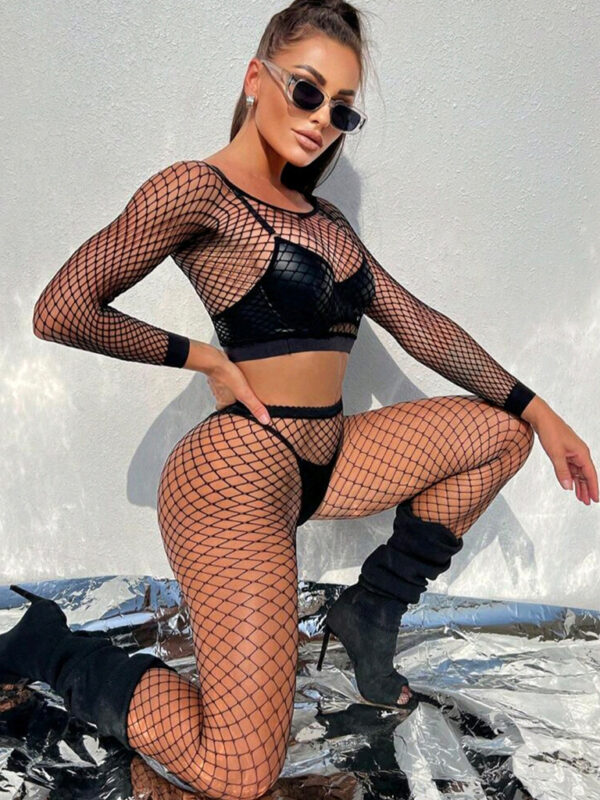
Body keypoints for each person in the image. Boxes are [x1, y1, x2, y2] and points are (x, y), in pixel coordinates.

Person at [1, 1, 597, 798]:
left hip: (329, 459)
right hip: (235, 475)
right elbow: (62, 309)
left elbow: (419, 323)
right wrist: (204, 358)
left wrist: (541, 410)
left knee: (499, 434)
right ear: (257, 78)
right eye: (308, 91)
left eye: (342, 109)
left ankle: (370, 611)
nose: (322, 120)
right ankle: (49, 648)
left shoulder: (327, 221)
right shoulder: (198, 189)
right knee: (240, 772)